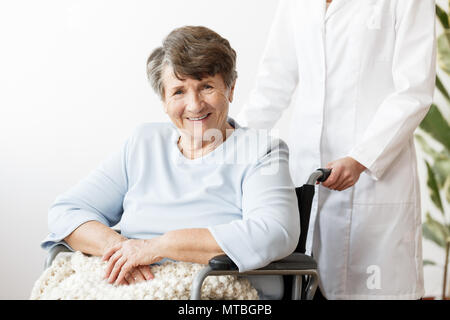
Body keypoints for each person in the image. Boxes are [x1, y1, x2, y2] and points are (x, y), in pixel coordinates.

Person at [41, 25, 300, 299]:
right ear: (164, 100)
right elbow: (67, 211)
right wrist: (120, 249)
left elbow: (274, 232)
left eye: (207, 87)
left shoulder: (262, 150)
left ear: (231, 89)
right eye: (178, 92)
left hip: (214, 287)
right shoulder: (143, 142)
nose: (195, 104)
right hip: (133, 283)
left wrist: (159, 247)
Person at [237, 0, 436, 299]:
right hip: (308, 174)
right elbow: (272, 85)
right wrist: (229, 147)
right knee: (307, 286)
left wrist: (360, 158)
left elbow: (413, 91)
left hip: (376, 178)